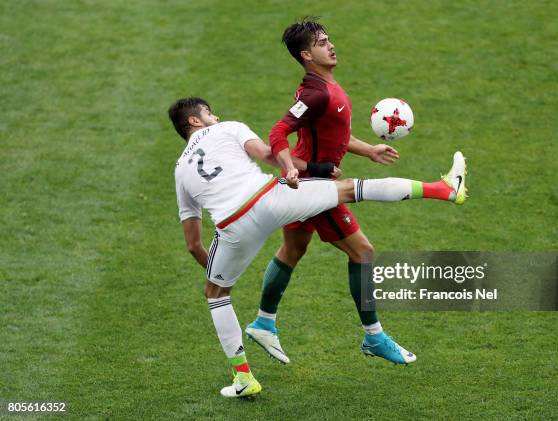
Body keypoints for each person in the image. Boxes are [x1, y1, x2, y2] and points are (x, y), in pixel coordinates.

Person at [168, 97, 466, 398]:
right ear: (194, 121)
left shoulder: (180, 170)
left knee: (216, 295)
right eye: (208, 112)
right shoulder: (229, 128)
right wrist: (313, 168)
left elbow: (193, 244)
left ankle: (244, 377)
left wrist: (221, 274)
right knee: (350, 189)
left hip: (234, 226)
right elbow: (271, 155)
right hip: (271, 199)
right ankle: (443, 189)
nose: (215, 116)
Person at [246, 19, 467, 365]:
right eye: (321, 43)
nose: (330, 45)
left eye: (329, 39)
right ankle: (374, 337)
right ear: (306, 55)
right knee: (363, 252)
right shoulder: (315, 93)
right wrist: (290, 167)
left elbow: (333, 135)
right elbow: (277, 134)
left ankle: (263, 322)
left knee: (293, 248)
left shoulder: (324, 88)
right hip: (316, 190)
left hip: (310, 185)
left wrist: (369, 150)